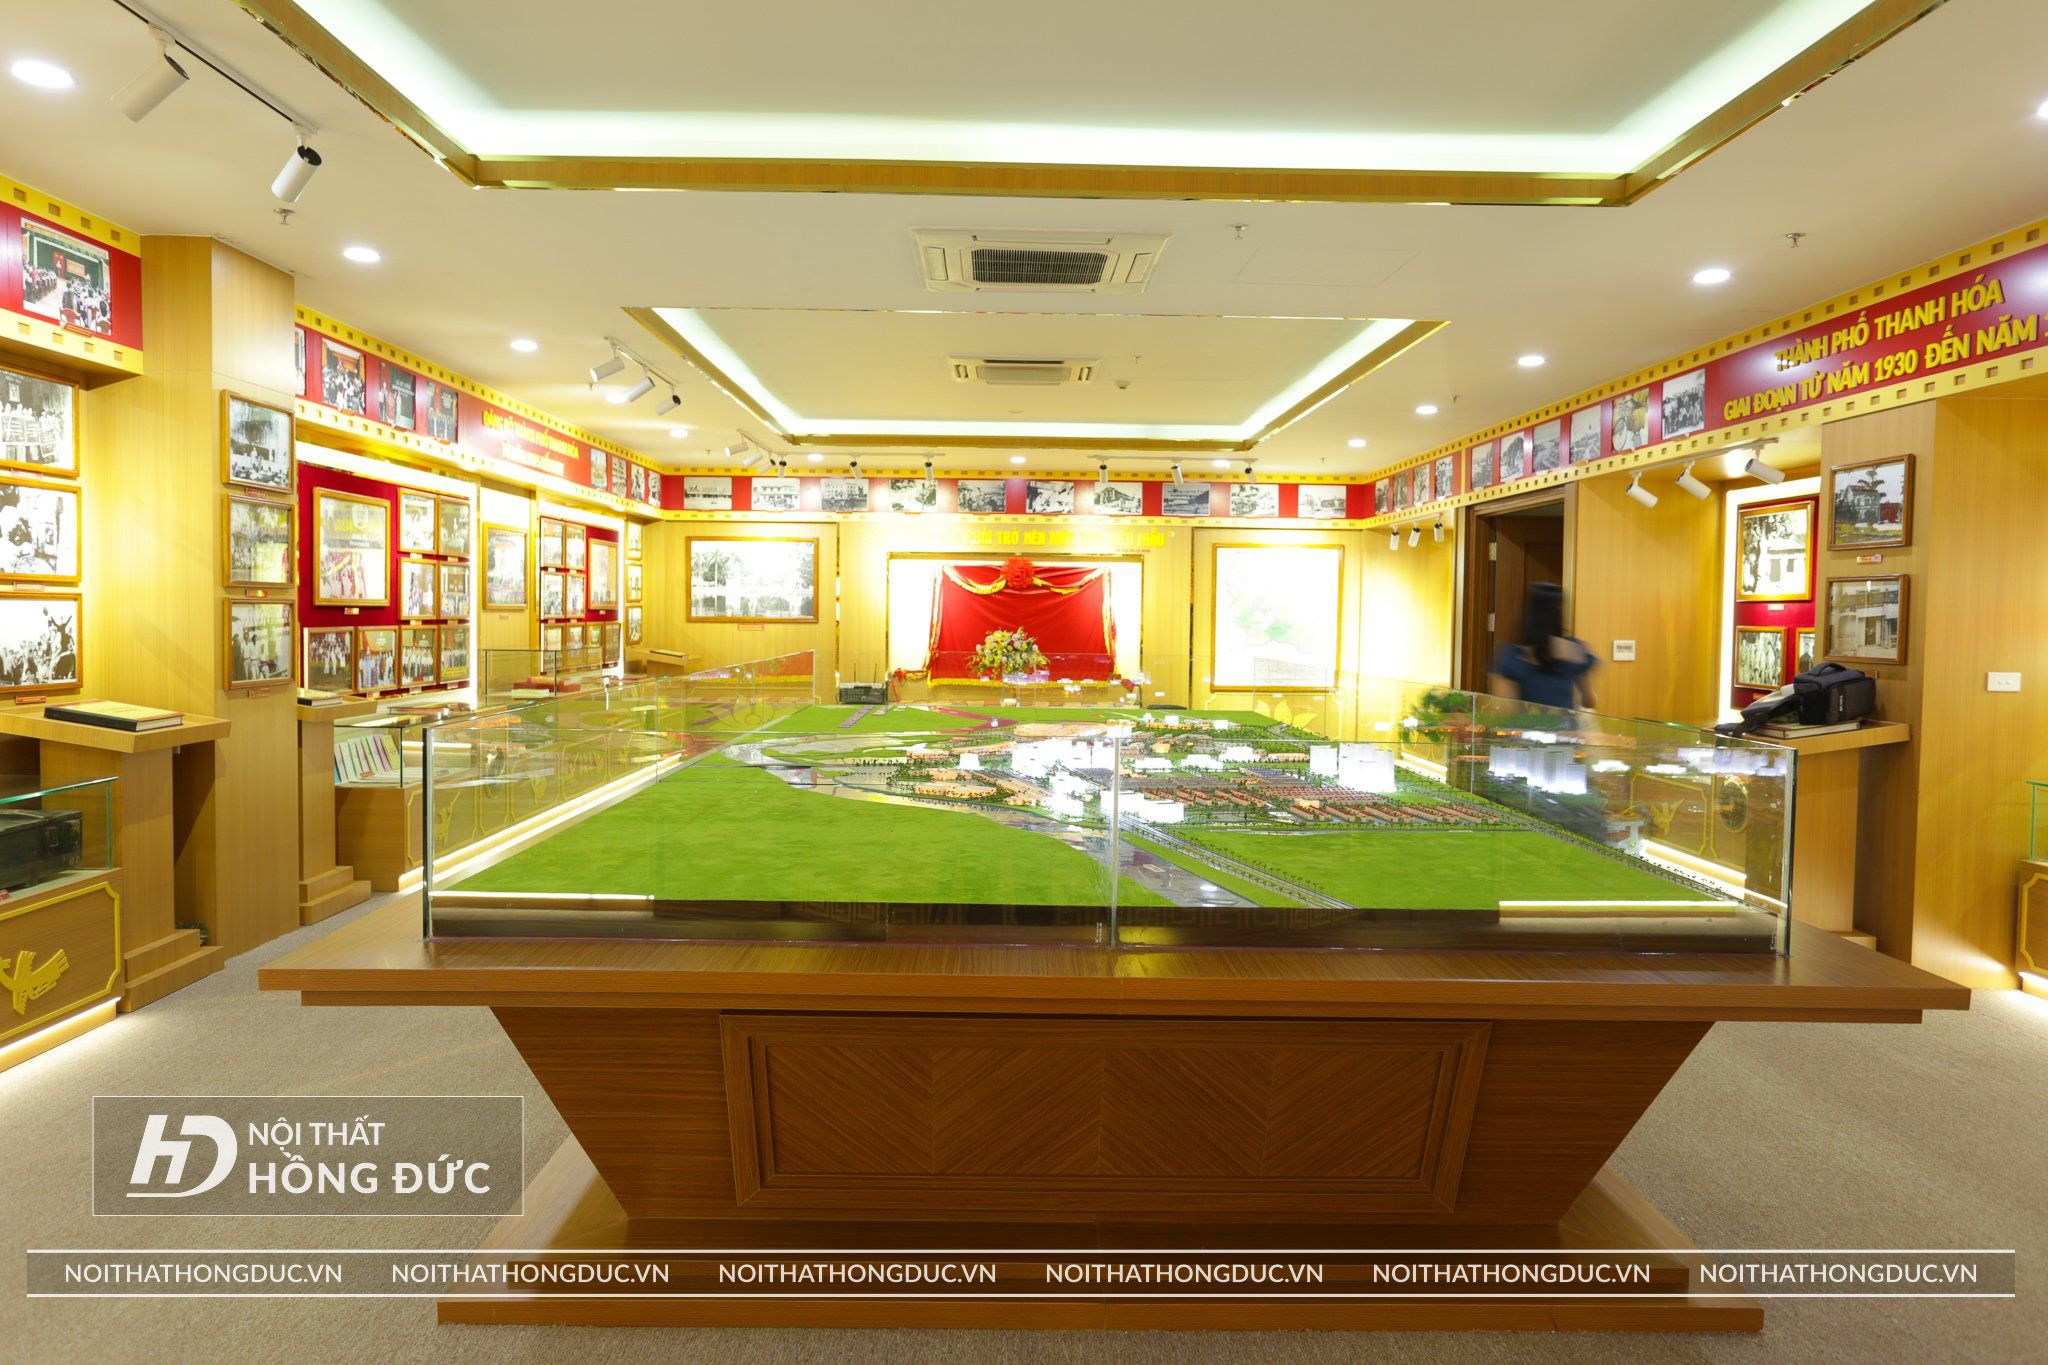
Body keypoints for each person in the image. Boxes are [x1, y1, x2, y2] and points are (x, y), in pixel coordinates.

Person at [1494, 582, 1598, 711]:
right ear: (1560, 613)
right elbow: (1589, 701)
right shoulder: (1575, 650)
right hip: (1564, 724)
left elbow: (1504, 709)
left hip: (1526, 723)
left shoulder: (1512, 655)